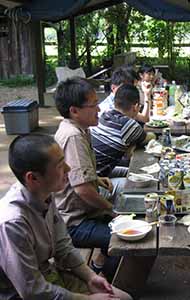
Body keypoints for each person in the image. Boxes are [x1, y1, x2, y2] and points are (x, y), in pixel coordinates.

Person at [0, 134, 131, 299]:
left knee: (124, 297)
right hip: (21, 294)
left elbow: (63, 246)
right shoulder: (12, 223)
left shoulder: (45, 193)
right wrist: (86, 299)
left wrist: (90, 276)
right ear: (33, 178)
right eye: (60, 165)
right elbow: (31, 290)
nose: (68, 169)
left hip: (49, 275)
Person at [54, 77, 124, 278]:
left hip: (84, 214)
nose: (99, 110)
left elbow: (76, 175)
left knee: (129, 215)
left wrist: (97, 178)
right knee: (125, 239)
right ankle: (108, 284)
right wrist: (112, 211)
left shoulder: (79, 129)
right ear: (74, 111)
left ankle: (100, 266)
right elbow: (83, 190)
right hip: (75, 223)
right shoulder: (73, 136)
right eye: (93, 105)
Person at [92, 84, 156, 177]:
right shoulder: (128, 124)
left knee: (136, 173)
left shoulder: (106, 114)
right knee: (142, 180)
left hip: (96, 170)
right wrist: (132, 143)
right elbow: (151, 137)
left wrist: (131, 144)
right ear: (136, 106)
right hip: (97, 180)